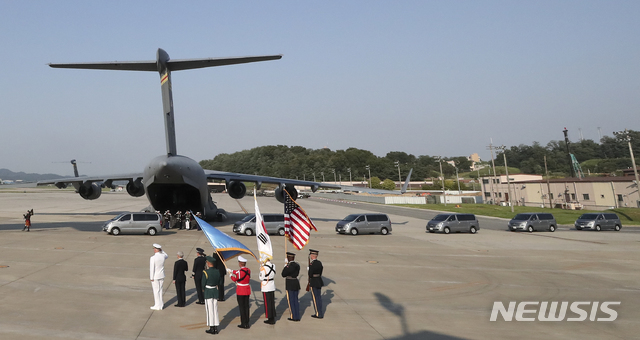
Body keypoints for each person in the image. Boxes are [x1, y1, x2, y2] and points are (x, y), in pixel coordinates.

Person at [229, 255, 251, 329]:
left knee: (242, 308)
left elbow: (235, 279)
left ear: (240, 263)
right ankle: (247, 323)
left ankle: (243, 323)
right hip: (247, 290)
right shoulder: (248, 270)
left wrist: (230, 275)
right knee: (246, 307)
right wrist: (232, 271)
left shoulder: (239, 272)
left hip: (241, 290)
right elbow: (239, 272)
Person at [202, 256, 222, 334]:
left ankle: (211, 327)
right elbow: (220, 282)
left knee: (209, 310)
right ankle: (216, 327)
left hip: (208, 291)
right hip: (215, 291)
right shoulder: (217, 272)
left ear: (209, 263)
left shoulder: (206, 272)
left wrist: (203, 289)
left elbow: (203, 283)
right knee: (215, 310)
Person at [281, 252, 301, 321]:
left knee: (291, 301)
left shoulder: (289, 266)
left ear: (288, 258)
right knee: (296, 300)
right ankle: (297, 316)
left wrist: (285, 267)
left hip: (290, 284)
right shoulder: (297, 265)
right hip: (296, 283)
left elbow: (283, 274)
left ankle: (293, 316)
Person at [150, 243, 168, 310]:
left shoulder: (153, 258)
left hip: (155, 276)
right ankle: (161, 305)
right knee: (160, 290)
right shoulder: (162, 256)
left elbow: (152, 268)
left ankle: (157, 305)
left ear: (155, 249)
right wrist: (161, 250)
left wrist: (151, 277)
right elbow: (167, 255)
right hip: (162, 275)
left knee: (156, 291)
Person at [307, 249, 324, 318]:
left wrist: (309, 269)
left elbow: (310, 274)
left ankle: (318, 313)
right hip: (319, 280)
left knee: (315, 298)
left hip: (314, 282)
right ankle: (319, 312)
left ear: (312, 255)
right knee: (318, 297)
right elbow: (321, 272)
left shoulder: (312, 264)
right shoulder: (319, 263)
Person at [259, 258, 277, 324]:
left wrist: (260, 269)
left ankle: (269, 318)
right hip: (271, 285)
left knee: (267, 303)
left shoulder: (264, 267)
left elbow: (261, 277)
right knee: (272, 303)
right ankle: (272, 317)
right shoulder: (273, 265)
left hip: (266, 286)